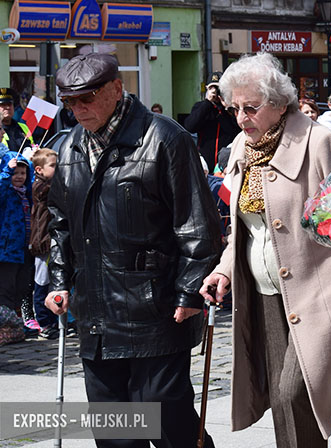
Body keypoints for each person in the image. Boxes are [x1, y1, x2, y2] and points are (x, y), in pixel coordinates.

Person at [198, 53, 331, 447]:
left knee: (293, 392)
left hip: (319, 291)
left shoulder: (320, 142)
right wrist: (224, 270)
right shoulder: (242, 147)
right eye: (235, 109)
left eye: (251, 107)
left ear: (280, 103)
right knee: (283, 403)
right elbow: (246, 229)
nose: (241, 118)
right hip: (264, 292)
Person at [45, 53, 222, 448]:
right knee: (115, 427)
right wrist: (59, 281)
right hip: (96, 309)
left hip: (155, 306)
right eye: (70, 101)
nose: (78, 109)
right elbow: (60, 222)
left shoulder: (165, 138)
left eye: (87, 98)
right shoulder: (70, 146)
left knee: (165, 415)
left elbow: (196, 221)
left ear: (116, 88)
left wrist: (190, 291)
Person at [0, 152, 34, 336]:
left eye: (23, 173)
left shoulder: (26, 194)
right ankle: (5, 327)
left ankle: (15, 325)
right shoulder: (6, 192)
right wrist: (6, 171)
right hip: (7, 250)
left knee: (21, 287)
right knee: (6, 288)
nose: (19, 176)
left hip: (24, 249)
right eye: (16, 173)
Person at [29, 147, 60, 340]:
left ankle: (55, 321)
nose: (58, 169)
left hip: (53, 241)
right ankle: (44, 322)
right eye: (53, 166)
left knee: (54, 283)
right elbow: (49, 191)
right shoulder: (40, 186)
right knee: (42, 283)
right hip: (43, 243)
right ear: (39, 170)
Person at [184, 71, 241, 173]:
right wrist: (207, 103)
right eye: (211, 88)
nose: (215, 92)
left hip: (225, 165)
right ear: (207, 89)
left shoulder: (229, 109)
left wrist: (225, 107)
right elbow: (190, 126)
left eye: (218, 88)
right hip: (205, 165)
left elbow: (235, 131)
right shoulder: (201, 107)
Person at [0, 88, 33, 153]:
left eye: (9, 104)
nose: (7, 107)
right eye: (3, 105)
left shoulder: (23, 127)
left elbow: (32, 145)